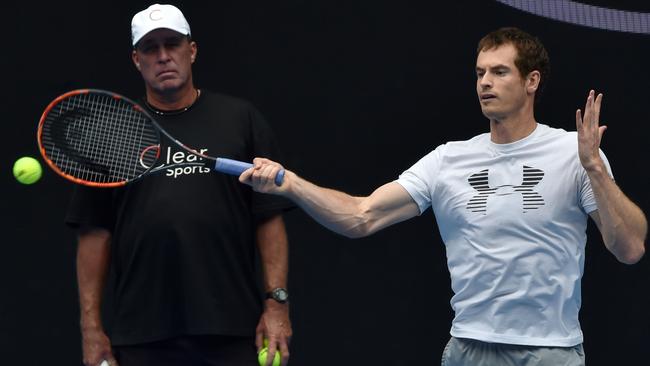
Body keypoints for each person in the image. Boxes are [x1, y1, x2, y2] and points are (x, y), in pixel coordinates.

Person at [240, 27, 647, 365]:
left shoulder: (575, 153)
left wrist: (595, 168)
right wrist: (289, 183)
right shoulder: (448, 160)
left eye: (500, 72)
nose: (485, 82)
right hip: (466, 350)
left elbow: (629, 247)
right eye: (479, 72)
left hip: (551, 351)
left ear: (532, 81)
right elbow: (361, 216)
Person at [65, 4, 293, 366]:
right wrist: (90, 328)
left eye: (172, 43)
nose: (163, 56)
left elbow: (269, 218)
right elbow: (95, 235)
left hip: (233, 328)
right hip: (142, 334)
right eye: (151, 49)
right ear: (137, 60)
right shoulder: (112, 135)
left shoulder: (240, 119)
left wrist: (276, 303)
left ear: (192, 50)